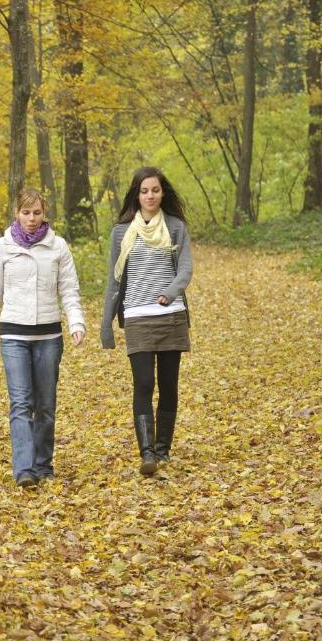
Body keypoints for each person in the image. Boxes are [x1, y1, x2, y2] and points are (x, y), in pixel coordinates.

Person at [0, 189, 86, 488]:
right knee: (21, 402)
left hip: (49, 335)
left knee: (45, 404)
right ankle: (24, 469)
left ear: (44, 213)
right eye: (26, 213)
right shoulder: (2, 247)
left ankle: (43, 464)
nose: (32, 219)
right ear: (17, 213)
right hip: (13, 335)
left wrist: (76, 322)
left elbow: (69, 290)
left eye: (37, 213)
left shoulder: (58, 247)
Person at [101, 166, 192, 477]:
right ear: (136, 194)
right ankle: (147, 453)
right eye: (144, 191)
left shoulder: (176, 227)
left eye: (155, 190)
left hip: (171, 316)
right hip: (137, 315)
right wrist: (106, 324)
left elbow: (185, 270)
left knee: (169, 385)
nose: (150, 195)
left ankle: (163, 449)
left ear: (162, 192)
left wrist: (169, 292)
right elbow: (114, 280)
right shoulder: (120, 232)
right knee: (143, 383)